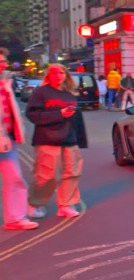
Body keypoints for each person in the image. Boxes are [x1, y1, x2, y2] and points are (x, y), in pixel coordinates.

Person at [26, 64, 88, 219]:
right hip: (47, 139)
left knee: (72, 172)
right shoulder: (41, 92)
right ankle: (36, 203)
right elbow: (32, 115)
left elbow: (77, 119)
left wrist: (80, 139)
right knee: (46, 175)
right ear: (48, 76)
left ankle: (65, 205)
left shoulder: (70, 94)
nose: (59, 76)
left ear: (66, 75)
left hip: (69, 139)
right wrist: (59, 114)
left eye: (62, 73)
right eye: (54, 73)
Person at [0, 48, 39, 231]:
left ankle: (15, 218)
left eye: (3, 60)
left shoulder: (6, 82)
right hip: (3, 139)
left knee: (15, 178)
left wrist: (17, 130)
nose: (3, 64)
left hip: (8, 141)